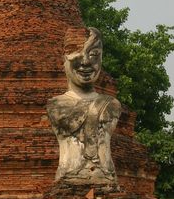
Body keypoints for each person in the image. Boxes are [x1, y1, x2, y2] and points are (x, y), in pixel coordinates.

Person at [47, 26, 121, 184]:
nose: (86, 61)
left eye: (94, 54)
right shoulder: (56, 105)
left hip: (106, 180)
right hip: (68, 180)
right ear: (64, 59)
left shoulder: (111, 104)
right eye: (76, 53)